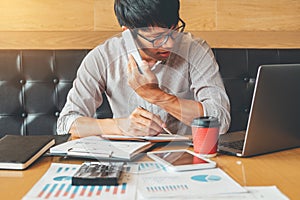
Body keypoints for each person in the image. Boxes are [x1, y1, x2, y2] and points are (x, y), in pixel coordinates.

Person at [57, 0, 230, 138]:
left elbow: (220, 121)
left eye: (174, 31)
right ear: (127, 33)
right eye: (156, 38)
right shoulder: (104, 57)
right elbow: (66, 124)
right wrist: (121, 126)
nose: (169, 44)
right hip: (127, 158)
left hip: (187, 156)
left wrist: (158, 96)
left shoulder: (193, 49)